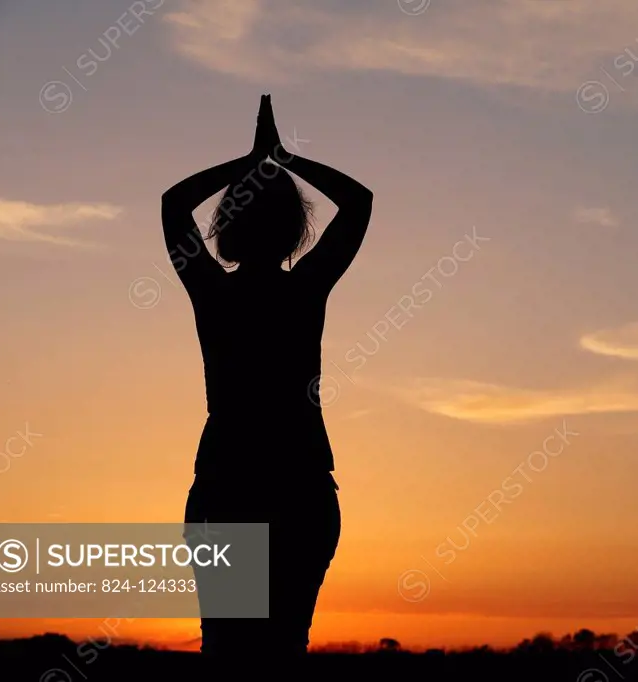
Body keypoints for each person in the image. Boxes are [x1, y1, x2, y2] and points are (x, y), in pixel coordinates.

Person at [161, 95, 373, 663]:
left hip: (231, 484)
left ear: (225, 228)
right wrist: (281, 159)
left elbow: (173, 203)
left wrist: (250, 162)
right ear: (292, 230)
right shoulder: (304, 290)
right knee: (282, 651)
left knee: (228, 652)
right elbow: (358, 202)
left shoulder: (213, 291)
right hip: (295, 487)